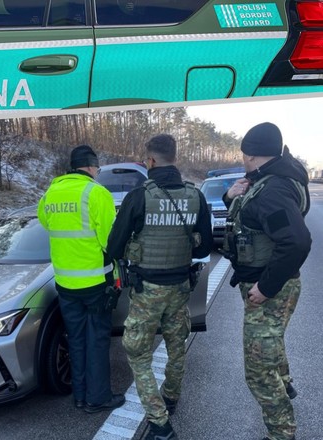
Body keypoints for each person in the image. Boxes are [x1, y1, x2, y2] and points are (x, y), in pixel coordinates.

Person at [107, 134, 213, 440]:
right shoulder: (195, 195)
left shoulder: (138, 196)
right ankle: (171, 398)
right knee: (176, 346)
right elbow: (204, 246)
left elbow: (114, 248)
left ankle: (159, 423)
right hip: (180, 286)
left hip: (147, 290)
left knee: (137, 353)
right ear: (175, 158)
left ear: (150, 161)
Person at [221, 122, 310, 440]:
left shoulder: (272, 190)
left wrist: (266, 287)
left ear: (252, 154)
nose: (243, 158)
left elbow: (297, 242)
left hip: (269, 288)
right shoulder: (267, 180)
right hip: (266, 284)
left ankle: (281, 433)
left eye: (244, 153)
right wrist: (228, 195)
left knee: (257, 369)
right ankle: (284, 383)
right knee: (270, 345)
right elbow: (250, 218)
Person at [37, 145, 125, 413]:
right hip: (95, 283)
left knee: (75, 340)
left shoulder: (50, 194)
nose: (97, 172)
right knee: (97, 340)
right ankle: (97, 399)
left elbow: (46, 224)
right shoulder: (96, 193)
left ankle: (79, 395)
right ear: (90, 167)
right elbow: (110, 241)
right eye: (97, 168)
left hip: (65, 285)